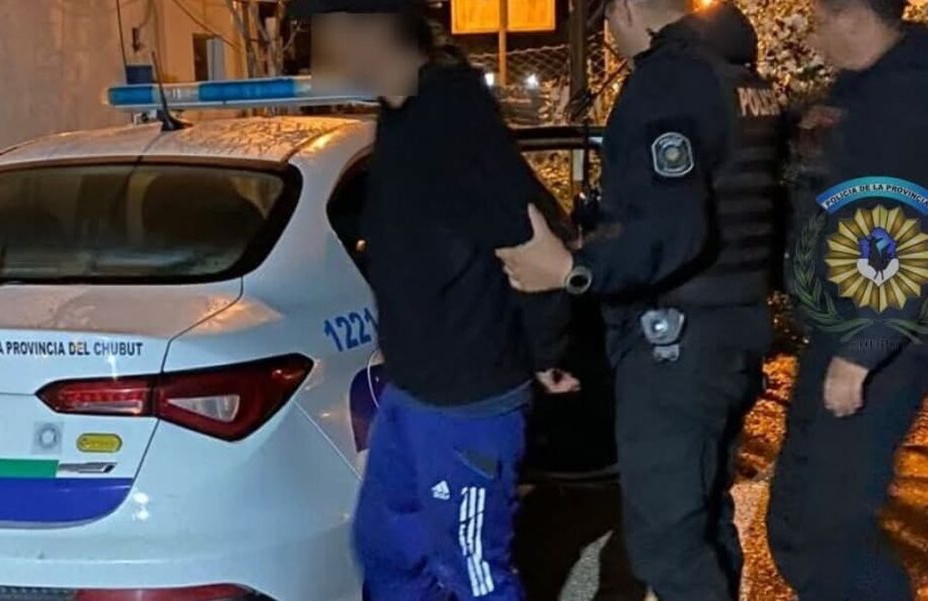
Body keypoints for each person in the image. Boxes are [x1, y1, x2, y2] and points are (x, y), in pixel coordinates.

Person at [495, 2, 785, 600]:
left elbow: (672, 227)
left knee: (666, 542)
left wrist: (573, 270)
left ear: (625, 9)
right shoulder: (739, 76)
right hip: (731, 330)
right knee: (702, 517)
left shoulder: (669, 80)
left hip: (676, 345)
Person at [289, 1, 575, 599]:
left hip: (468, 397)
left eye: (325, 32)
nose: (319, 51)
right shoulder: (400, 114)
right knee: (387, 550)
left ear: (374, 28)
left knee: (472, 571)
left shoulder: (452, 120)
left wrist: (546, 351)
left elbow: (534, 239)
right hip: (413, 390)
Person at [764, 1, 928, 598]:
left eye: (820, 21)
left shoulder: (903, 100)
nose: (812, 37)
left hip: (882, 337)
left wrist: (862, 352)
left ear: (853, 18)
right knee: (795, 520)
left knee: (830, 531)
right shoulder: (864, 89)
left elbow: (907, 232)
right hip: (842, 326)